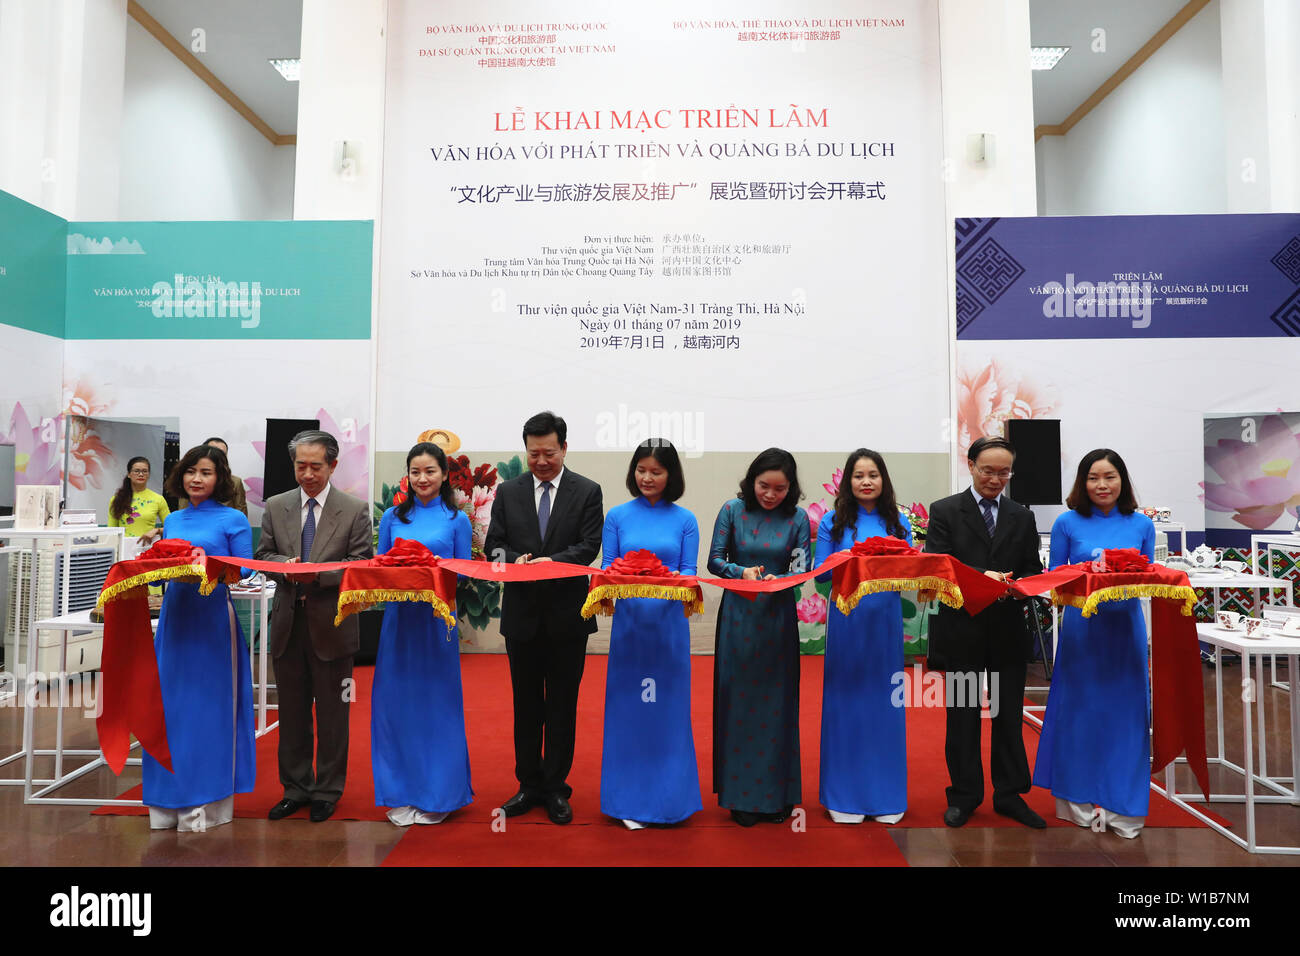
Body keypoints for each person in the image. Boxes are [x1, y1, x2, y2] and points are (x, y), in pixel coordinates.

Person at [485, 411, 603, 825]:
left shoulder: (587, 491)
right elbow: (492, 547)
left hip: (568, 616)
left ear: (564, 448)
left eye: (549, 453)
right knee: (527, 703)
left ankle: (556, 787)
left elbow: (589, 546)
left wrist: (552, 562)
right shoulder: (509, 492)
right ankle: (528, 783)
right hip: (522, 616)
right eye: (533, 453)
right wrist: (515, 562)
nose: (540, 461)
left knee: (562, 705)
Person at [923, 435, 1045, 829]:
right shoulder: (944, 511)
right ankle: (964, 796)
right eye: (988, 470)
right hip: (963, 630)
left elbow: (1031, 568)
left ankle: (1010, 796)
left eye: (1004, 472)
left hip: (1008, 629)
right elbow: (936, 567)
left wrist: (1016, 583)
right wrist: (979, 578)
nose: (996, 479)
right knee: (962, 716)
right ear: (971, 465)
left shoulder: (1021, 516)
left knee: (1008, 716)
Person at [1034, 449, 1155, 838]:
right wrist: (1087, 573)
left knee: (1127, 717)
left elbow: (1148, 576)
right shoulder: (1067, 522)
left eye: (1110, 477)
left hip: (1126, 631)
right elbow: (1055, 578)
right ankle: (1077, 803)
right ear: (1082, 483)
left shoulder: (1142, 525)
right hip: (1081, 631)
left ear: (1123, 480)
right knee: (1080, 714)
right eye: (1093, 478)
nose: (1102, 485)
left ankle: (1125, 808)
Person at [256, 429, 374, 823]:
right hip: (288, 623)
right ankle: (295, 788)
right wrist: (283, 568)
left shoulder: (354, 509)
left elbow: (361, 565)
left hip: (333, 626)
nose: (307, 474)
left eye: (316, 466)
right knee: (291, 714)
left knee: (333, 714)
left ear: (333, 466)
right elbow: (264, 554)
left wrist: (317, 576)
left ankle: (327, 790)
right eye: (300, 466)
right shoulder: (275, 505)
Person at [143, 444, 254, 830]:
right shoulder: (173, 520)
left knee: (210, 711)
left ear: (219, 477)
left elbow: (246, 572)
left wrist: (210, 567)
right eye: (190, 471)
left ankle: (207, 803)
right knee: (169, 710)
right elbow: (160, 571)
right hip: (175, 619)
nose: (196, 479)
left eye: (205, 472)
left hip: (212, 623)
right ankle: (167, 803)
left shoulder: (234, 518)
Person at [599, 438, 701, 828]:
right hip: (629, 631)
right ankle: (629, 801)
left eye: (656, 471)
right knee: (630, 712)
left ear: (670, 475)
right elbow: (608, 569)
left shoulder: (685, 519)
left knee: (668, 713)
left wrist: (664, 580)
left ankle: (670, 799)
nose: (647, 477)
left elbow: (689, 575)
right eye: (641, 470)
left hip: (670, 630)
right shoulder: (618, 516)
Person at [372, 442, 473, 826]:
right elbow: (379, 567)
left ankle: (439, 793)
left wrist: (427, 571)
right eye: (415, 472)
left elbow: (462, 574)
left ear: (444, 475)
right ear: (407, 476)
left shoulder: (456, 520)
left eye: (430, 471)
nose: (422, 479)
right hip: (399, 622)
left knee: (436, 705)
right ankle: (402, 791)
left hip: (437, 622)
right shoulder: (393, 518)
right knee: (397, 705)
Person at [709, 448, 810, 826]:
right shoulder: (732, 511)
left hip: (778, 617)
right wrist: (740, 571)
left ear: (791, 488)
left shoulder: (797, 518)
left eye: (780, 488)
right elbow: (714, 559)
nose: (770, 494)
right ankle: (740, 796)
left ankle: (778, 794)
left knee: (778, 704)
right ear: (752, 482)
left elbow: (803, 567)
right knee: (738, 700)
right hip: (739, 615)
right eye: (764, 486)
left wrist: (780, 579)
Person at [814, 449, 911, 824]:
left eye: (873, 474)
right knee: (846, 703)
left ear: (883, 479)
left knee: (885, 704)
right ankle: (844, 795)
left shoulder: (897, 520)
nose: (866, 481)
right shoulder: (832, 522)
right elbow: (821, 576)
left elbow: (907, 573)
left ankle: (885, 795)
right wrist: (854, 560)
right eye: (858, 475)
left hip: (885, 623)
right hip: (847, 620)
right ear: (847, 482)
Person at [107, 456, 169, 547]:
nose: (141, 474)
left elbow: (172, 527)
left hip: (148, 549)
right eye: (136, 471)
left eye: (144, 471)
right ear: (129, 474)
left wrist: (156, 530)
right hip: (123, 549)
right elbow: (111, 530)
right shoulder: (117, 499)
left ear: (149, 474)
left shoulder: (158, 499)